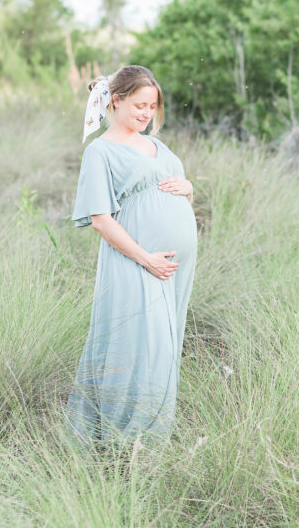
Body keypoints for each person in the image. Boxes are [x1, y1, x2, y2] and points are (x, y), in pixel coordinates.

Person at [66, 65, 197, 446]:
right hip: (137, 262)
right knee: (138, 347)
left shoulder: (159, 147)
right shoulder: (101, 152)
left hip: (174, 267)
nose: (146, 113)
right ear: (116, 100)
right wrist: (147, 259)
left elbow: (177, 191)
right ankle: (121, 441)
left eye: (152, 107)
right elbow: (101, 220)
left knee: (164, 347)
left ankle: (151, 439)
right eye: (139, 105)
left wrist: (189, 187)